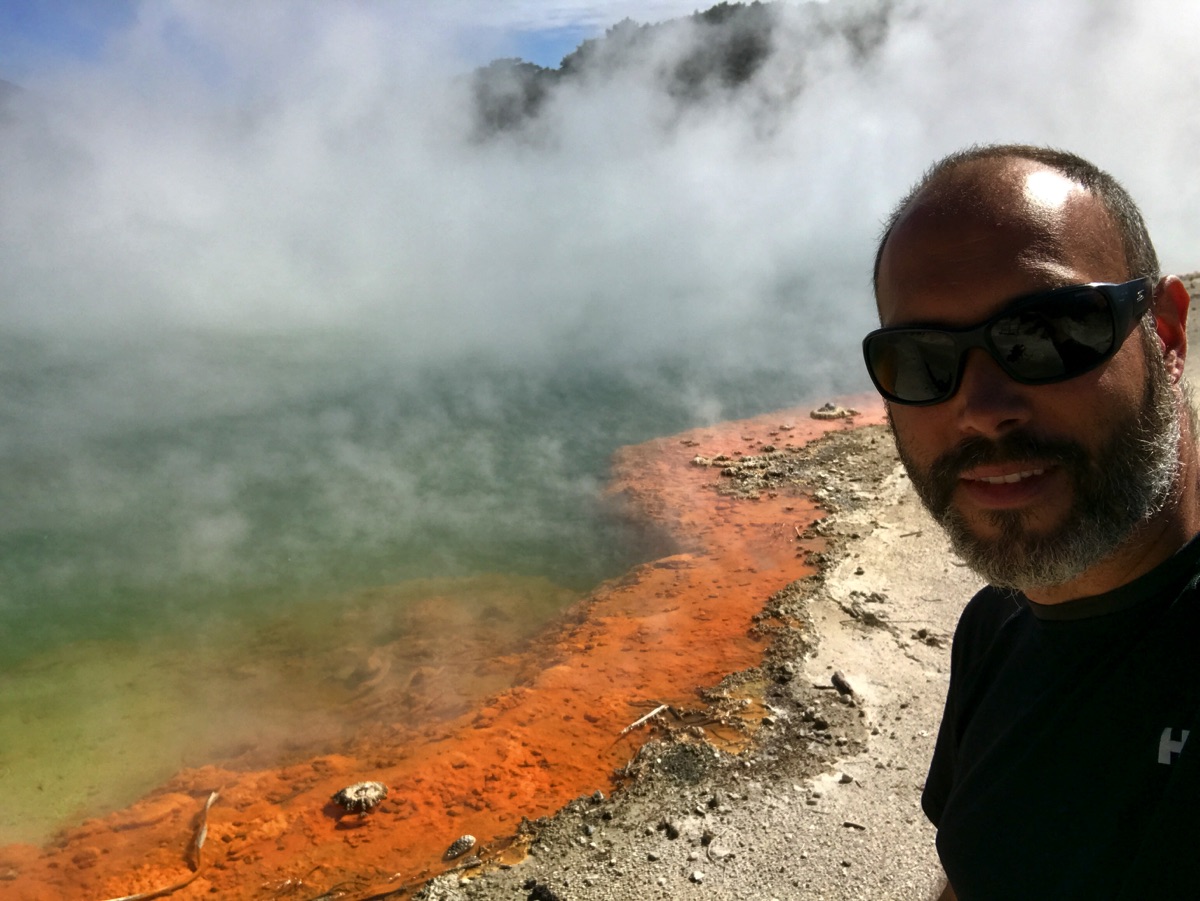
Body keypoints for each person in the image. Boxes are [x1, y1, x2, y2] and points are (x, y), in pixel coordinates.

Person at [863, 144, 1200, 900]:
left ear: (1168, 338)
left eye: (1049, 332)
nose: (982, 410)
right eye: (919, 361)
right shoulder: (996, 628)